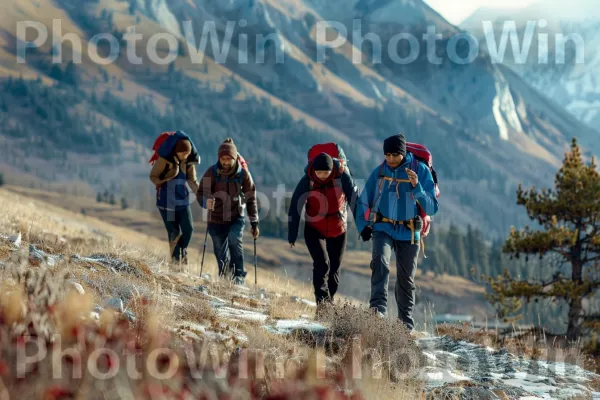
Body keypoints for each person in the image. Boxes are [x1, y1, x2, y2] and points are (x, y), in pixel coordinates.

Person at [356, 134, 439, 330]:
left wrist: (416, 186)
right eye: (387, 155)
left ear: (403, 153)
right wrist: (363, 226)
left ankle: (405, 326)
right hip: (383, 227)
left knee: (406, 280)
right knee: (380, 263)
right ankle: (377, 312)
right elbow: (363, 199)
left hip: (409, 231)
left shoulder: (421, 171)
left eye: (395, 155)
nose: (391, 159)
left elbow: (433, 207)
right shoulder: (380, 171)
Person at [288, 152, 358, 312]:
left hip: (338, 228)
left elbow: (355, 202)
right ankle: (322, 304)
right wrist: (292, 233)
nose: (322, 176)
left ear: (331, 169)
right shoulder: (308, 180)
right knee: (322, 263)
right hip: (314, 228)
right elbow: (295, 206)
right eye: (319, 173)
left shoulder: (342, 178)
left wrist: (364, 227)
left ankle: (329, 302)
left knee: (334, 268)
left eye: (325, 173)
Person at [196, 138, 259, 284]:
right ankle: (225, 277)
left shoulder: (243, 175)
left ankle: (238, 277)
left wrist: (254, 222)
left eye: (228, 159)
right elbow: (201, 194)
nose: (225, 162)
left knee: (234, 240)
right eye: (222, 158)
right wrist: (206, 202)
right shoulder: (211, 172)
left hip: (236, 216)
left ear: (235, 157)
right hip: (215, 218)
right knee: (220, 251)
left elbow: (251, 198)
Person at [149, 131, 200, 267]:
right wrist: (163, 181)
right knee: (174, 234)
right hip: (166, 204)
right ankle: (177, 264)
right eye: (184, 153)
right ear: (177, 152)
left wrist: (202, 195)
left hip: (182, 202)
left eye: (188, 153)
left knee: (188, 229)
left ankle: (182, 251)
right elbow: (153, 176)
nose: (186, 156)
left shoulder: (188, 163)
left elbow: (193, 181)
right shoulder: (164, 160)